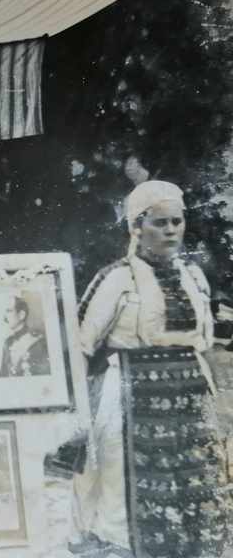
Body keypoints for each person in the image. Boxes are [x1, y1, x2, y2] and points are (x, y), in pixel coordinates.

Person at [70, 180, 230, 556]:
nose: (171, 230)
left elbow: (204, 338)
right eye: (160, 223)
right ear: (136, 227)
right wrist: (76, 409)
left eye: (177, 221)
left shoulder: (194, 276)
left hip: (189, 399)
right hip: (128, 398)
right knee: (122, 489)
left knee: (196, 485)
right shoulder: (116, 278)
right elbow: (80, 342)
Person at [0, 293, 50, 378]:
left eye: (9, 311)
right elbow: (2, 375)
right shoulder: (8, 343)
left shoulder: (38, 341)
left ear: (21, 315)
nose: (5, 317)